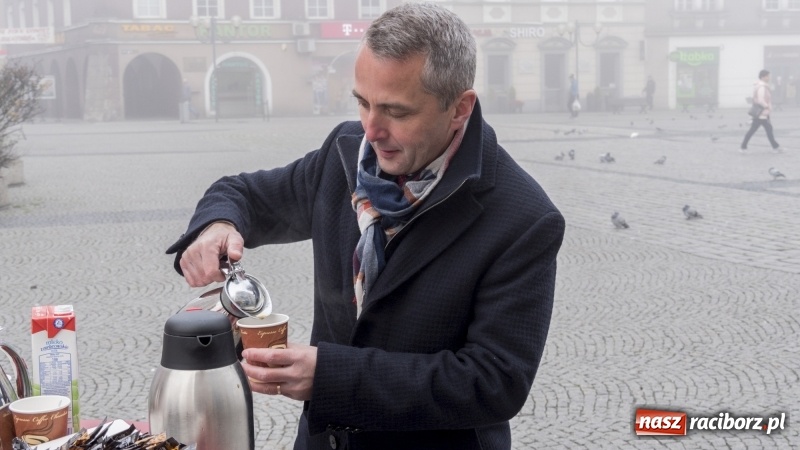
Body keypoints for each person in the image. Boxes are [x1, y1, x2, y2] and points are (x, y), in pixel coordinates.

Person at [166, 3, 565, 449]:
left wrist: (329, 377)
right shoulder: (343, 155)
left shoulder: (524, 218)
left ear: (459, 108)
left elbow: (493, 382)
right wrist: (218, 224)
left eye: (396, 111)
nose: (371, 130)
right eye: (362, 102)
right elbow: (244, 193)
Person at [741, 69, 783, 153]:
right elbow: (760, 100)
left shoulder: (761, 86)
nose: (769, 78)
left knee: (761, 130)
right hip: (762, 113)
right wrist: (767, 106)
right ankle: (775, 148)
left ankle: (743, 146)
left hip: (761, 113)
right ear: (763, 77)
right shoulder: (762, 87)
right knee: (766, 130)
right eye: (768, 76)